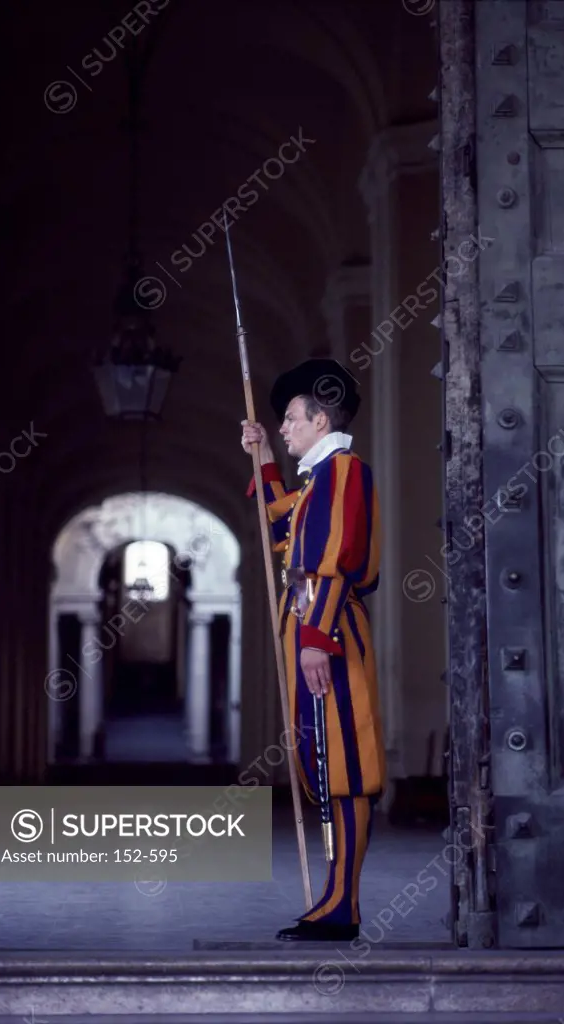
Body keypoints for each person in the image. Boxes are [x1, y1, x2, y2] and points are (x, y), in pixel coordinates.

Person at [240, 357, 386, 942]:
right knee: (324, 767)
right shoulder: (316, 481)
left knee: (346, 768)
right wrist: (262, 460)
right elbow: (281, 533)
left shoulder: (343, 472)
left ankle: (343, 904)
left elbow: (334, 561)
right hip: (311, 635)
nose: (284, 427)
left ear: (321, 420)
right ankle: (334, 898)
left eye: (291, 419)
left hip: (327, 637)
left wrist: (316, 640)